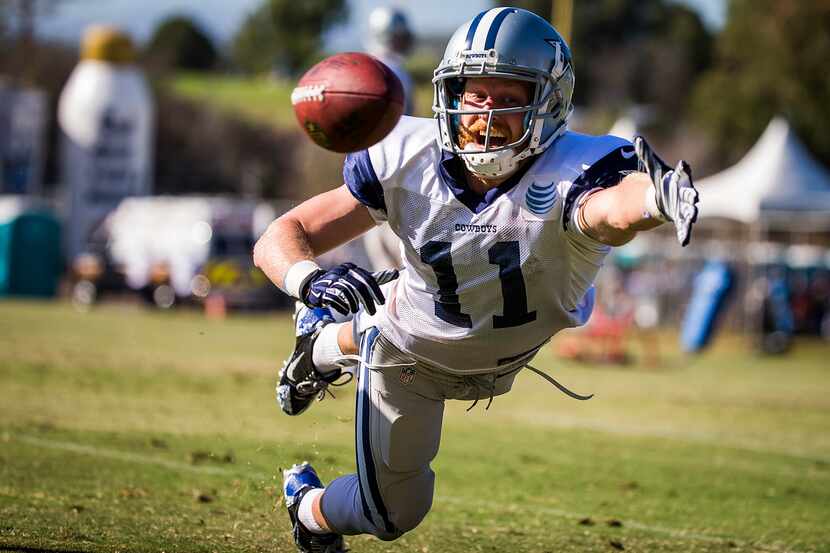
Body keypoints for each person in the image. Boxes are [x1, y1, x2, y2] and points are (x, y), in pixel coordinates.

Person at [253, 8, 698, 552]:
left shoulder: (577, 171)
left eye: (507, 95)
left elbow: (611, 208)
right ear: (450, 94)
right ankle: (309, 507)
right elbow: (284, 232)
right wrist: (306, 280)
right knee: (394, 514)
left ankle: (321, 342)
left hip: (466, 325)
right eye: (474, 94)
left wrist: (655, 198)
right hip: (406, 354)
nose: (485, 113)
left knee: (408, 306)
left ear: (549, 103)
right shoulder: (404, 155)